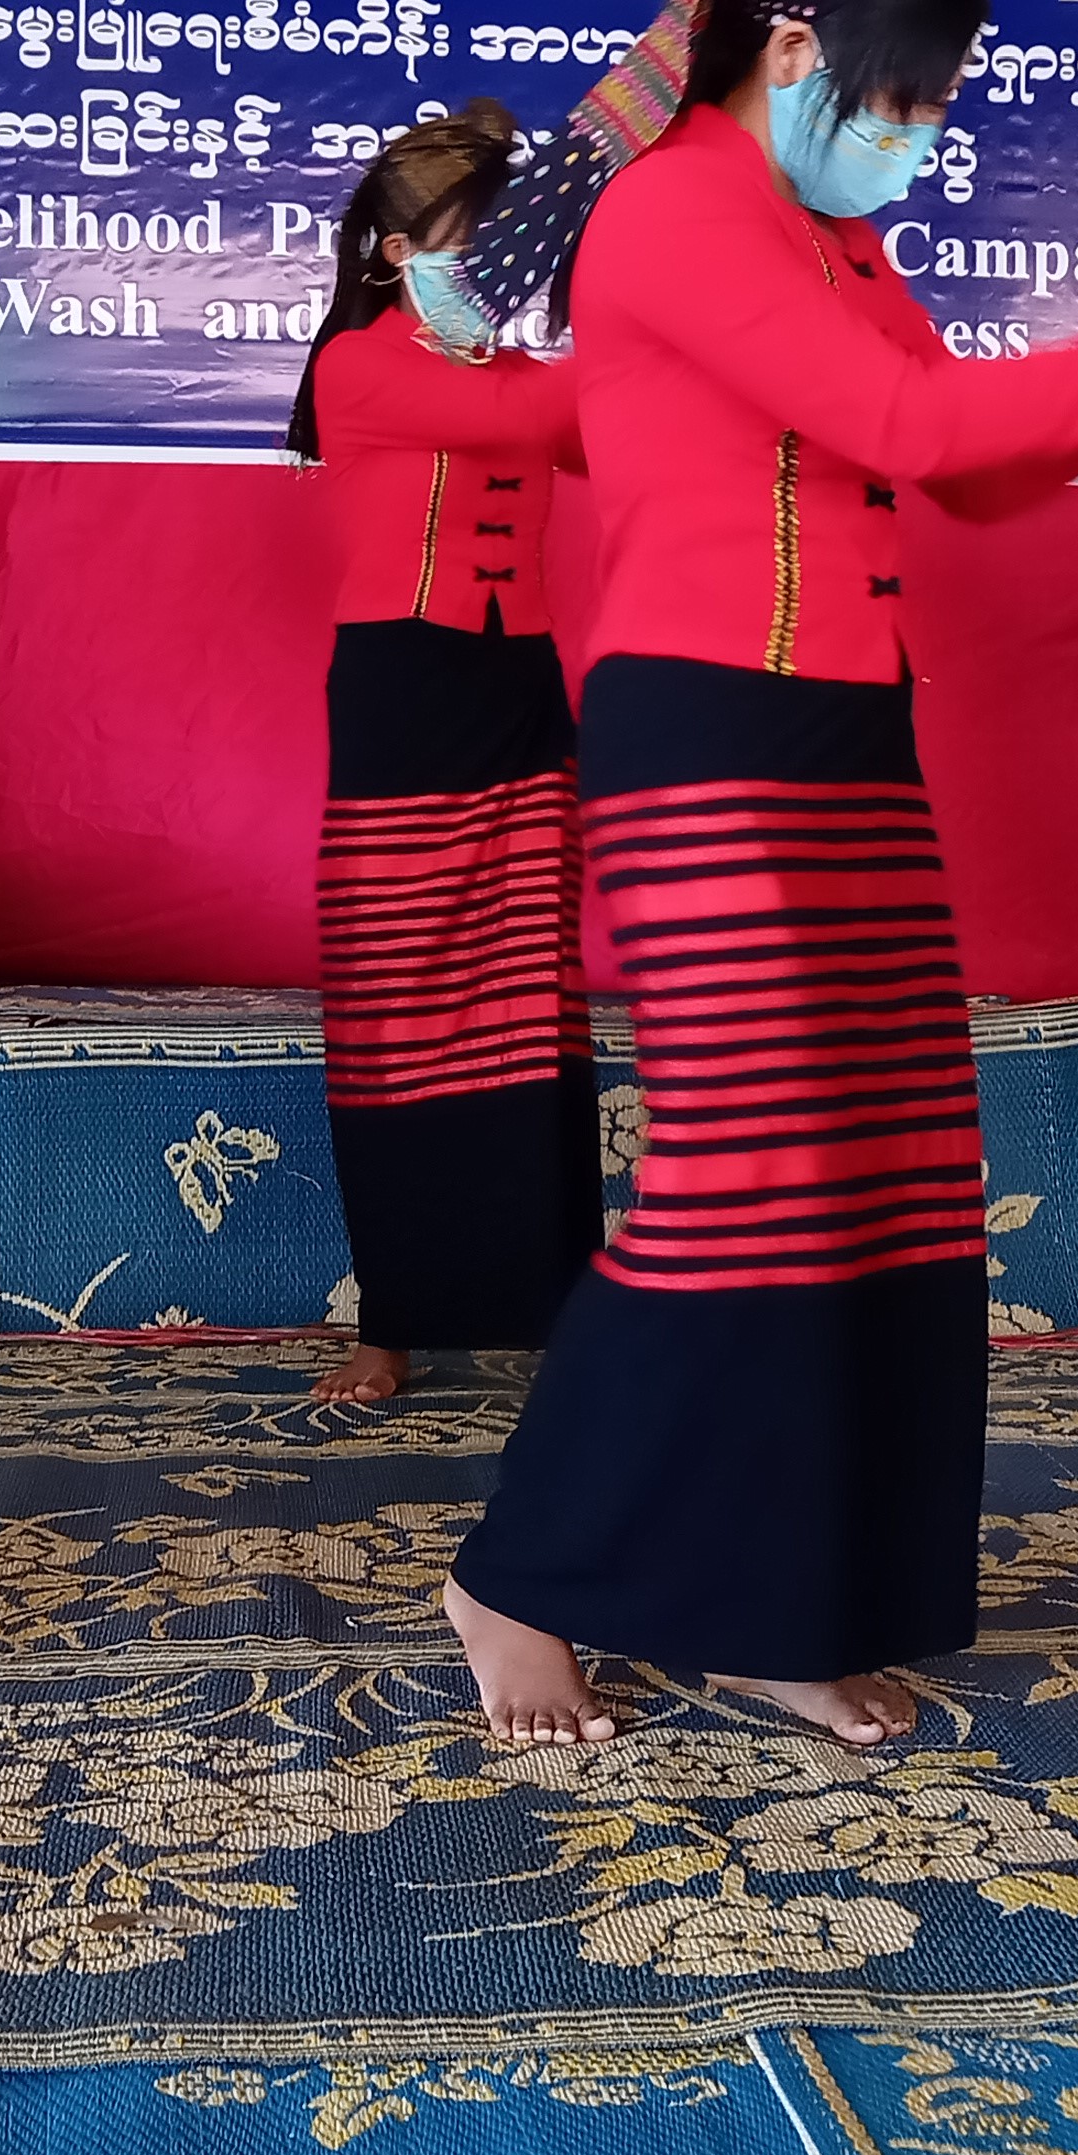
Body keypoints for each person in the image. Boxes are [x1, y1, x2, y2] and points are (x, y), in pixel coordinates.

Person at [432, 0, 1078, 1750]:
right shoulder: (678, 217)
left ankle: (776, 1604)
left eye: (939, 107)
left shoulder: (831, 238)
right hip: (703, 739)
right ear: (789, 52)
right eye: (905, 103)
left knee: (879, 1190)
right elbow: (911, 428)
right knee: (743, 1182)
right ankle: (515, 1571)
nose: (921, 141)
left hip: (839, 743)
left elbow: (962, 471)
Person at [290, 103, 597, 1405]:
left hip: (521, 687)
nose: (493, 273)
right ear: (394, 251)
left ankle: (558, 1314)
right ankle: (394, 1320)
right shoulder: (358, 367)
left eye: (505, 247)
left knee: (532, 1008)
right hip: (406, 698)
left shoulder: (515, 380)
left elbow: (596, 429)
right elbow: (558, 410)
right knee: (395, 1010)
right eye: (473, 246)